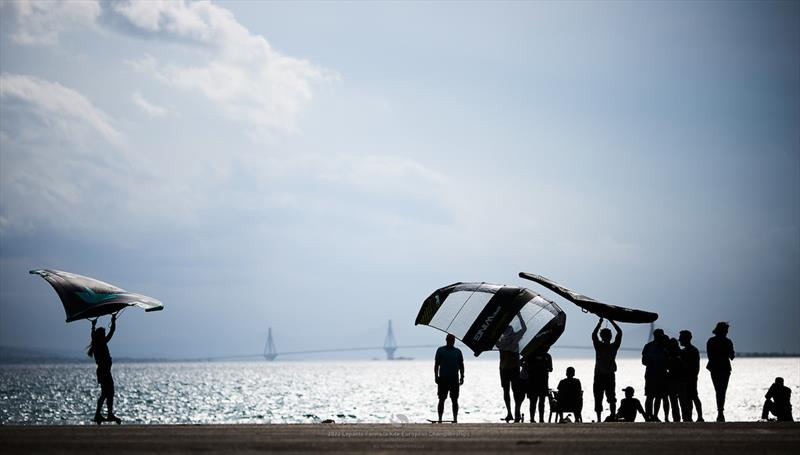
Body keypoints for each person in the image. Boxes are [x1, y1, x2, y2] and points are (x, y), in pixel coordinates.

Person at [87, 314, 120, 424]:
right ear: (101, 336)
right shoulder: (100, 343)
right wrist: (113, 320)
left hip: (103, 372)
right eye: (104, 334)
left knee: (107, 393)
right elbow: (112, 332)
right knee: (108, 393)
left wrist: (93, 326)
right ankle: (103, 414)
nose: (105, 335)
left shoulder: (97, 343)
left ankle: (103, 414)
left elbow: (94, 334)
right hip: (104, 372)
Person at [496, 314, 527, 422]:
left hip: (505, 368)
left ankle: (511, 412)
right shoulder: (515, 338)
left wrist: (497, 322)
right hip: (512, 368)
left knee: (507, 391)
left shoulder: (501, 341)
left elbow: (524, 329)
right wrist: (519, 316)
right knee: (514, 390)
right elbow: (524, 328)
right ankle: (514, 412)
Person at [592, 318, 621, 423]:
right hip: (608, 376)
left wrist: (599, 322)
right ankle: (612, 415)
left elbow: (594, 335)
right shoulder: (614, 347)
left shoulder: (598, 346)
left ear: (602, 336)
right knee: (611, 397)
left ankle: (599, 419)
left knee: (599, 397)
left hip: (600, 375)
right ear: (610, 336)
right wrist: (612, 321)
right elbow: (620, 332)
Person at [706, 321, 734, 422]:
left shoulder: (711, 341)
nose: (727, 332)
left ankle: (720, 412)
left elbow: (710, 356)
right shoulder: (728, 341)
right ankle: (720, 412)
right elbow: (732, 356)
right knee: (722, 390)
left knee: (718, 390)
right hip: (724, 368)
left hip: (714, 368)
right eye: (726, 330)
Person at [434, 334, 464, 423]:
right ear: (446, 340)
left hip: (454, 380)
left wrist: (462, 377)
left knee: (454, 400)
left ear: (454, 341)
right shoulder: (440, 350)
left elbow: (461, 366)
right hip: (443, 380)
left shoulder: (458, 351)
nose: (451, 341)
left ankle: (455, 418)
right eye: (449, 340)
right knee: (441, 399)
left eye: (452, 340)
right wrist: (436, 377)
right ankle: (440, 418)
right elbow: (436, 365)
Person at [641, 328, 668, 421]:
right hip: (651, 373)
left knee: (658, 396)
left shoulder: (665, 346)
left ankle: (654, 415)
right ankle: (649, 416)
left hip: (661, 374)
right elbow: (644, 361)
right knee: (650, 396)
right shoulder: (648, 346)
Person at [678, 330, 704, 422]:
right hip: (686, 378)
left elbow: (694, 366)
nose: (679, 340)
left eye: (680, 338)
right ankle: (690, 417)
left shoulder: (693, 350)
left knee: (693, 396)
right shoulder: (685, 351)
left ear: (686, 339)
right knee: (689, 398)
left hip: (691, 377)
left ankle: (700, 416)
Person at [522, 349, 553, 423]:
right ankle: (540, 419)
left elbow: (521, 362)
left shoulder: (530, 354)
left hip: (533, 381)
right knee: (541, 401)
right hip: (542, 381)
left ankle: (533, 419)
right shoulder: (547, 356)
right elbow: (551, 369)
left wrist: (528, 368)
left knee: (533, 401)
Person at [665, 337, 684, 422]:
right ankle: (685, 417)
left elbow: (667, 366)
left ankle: (676, 418)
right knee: (682, 400)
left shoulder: (668, 354)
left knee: (673, 401)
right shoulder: (681, 353)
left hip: (672, 379)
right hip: (679, 378)